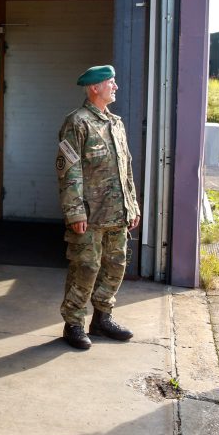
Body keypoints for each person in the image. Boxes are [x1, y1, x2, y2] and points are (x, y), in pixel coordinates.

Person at [56, 65, 141, 350]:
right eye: (110, 82)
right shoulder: (77, 122)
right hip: (90, 213)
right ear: (95, 88)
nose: (115, 87)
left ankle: (102, 319)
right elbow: (69, 171)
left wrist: (132, 204)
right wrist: (75, 211)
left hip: (117, 211)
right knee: (86, 267)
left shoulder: (115, 122)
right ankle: (74, 324)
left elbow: (125, 167)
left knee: (115, 265)